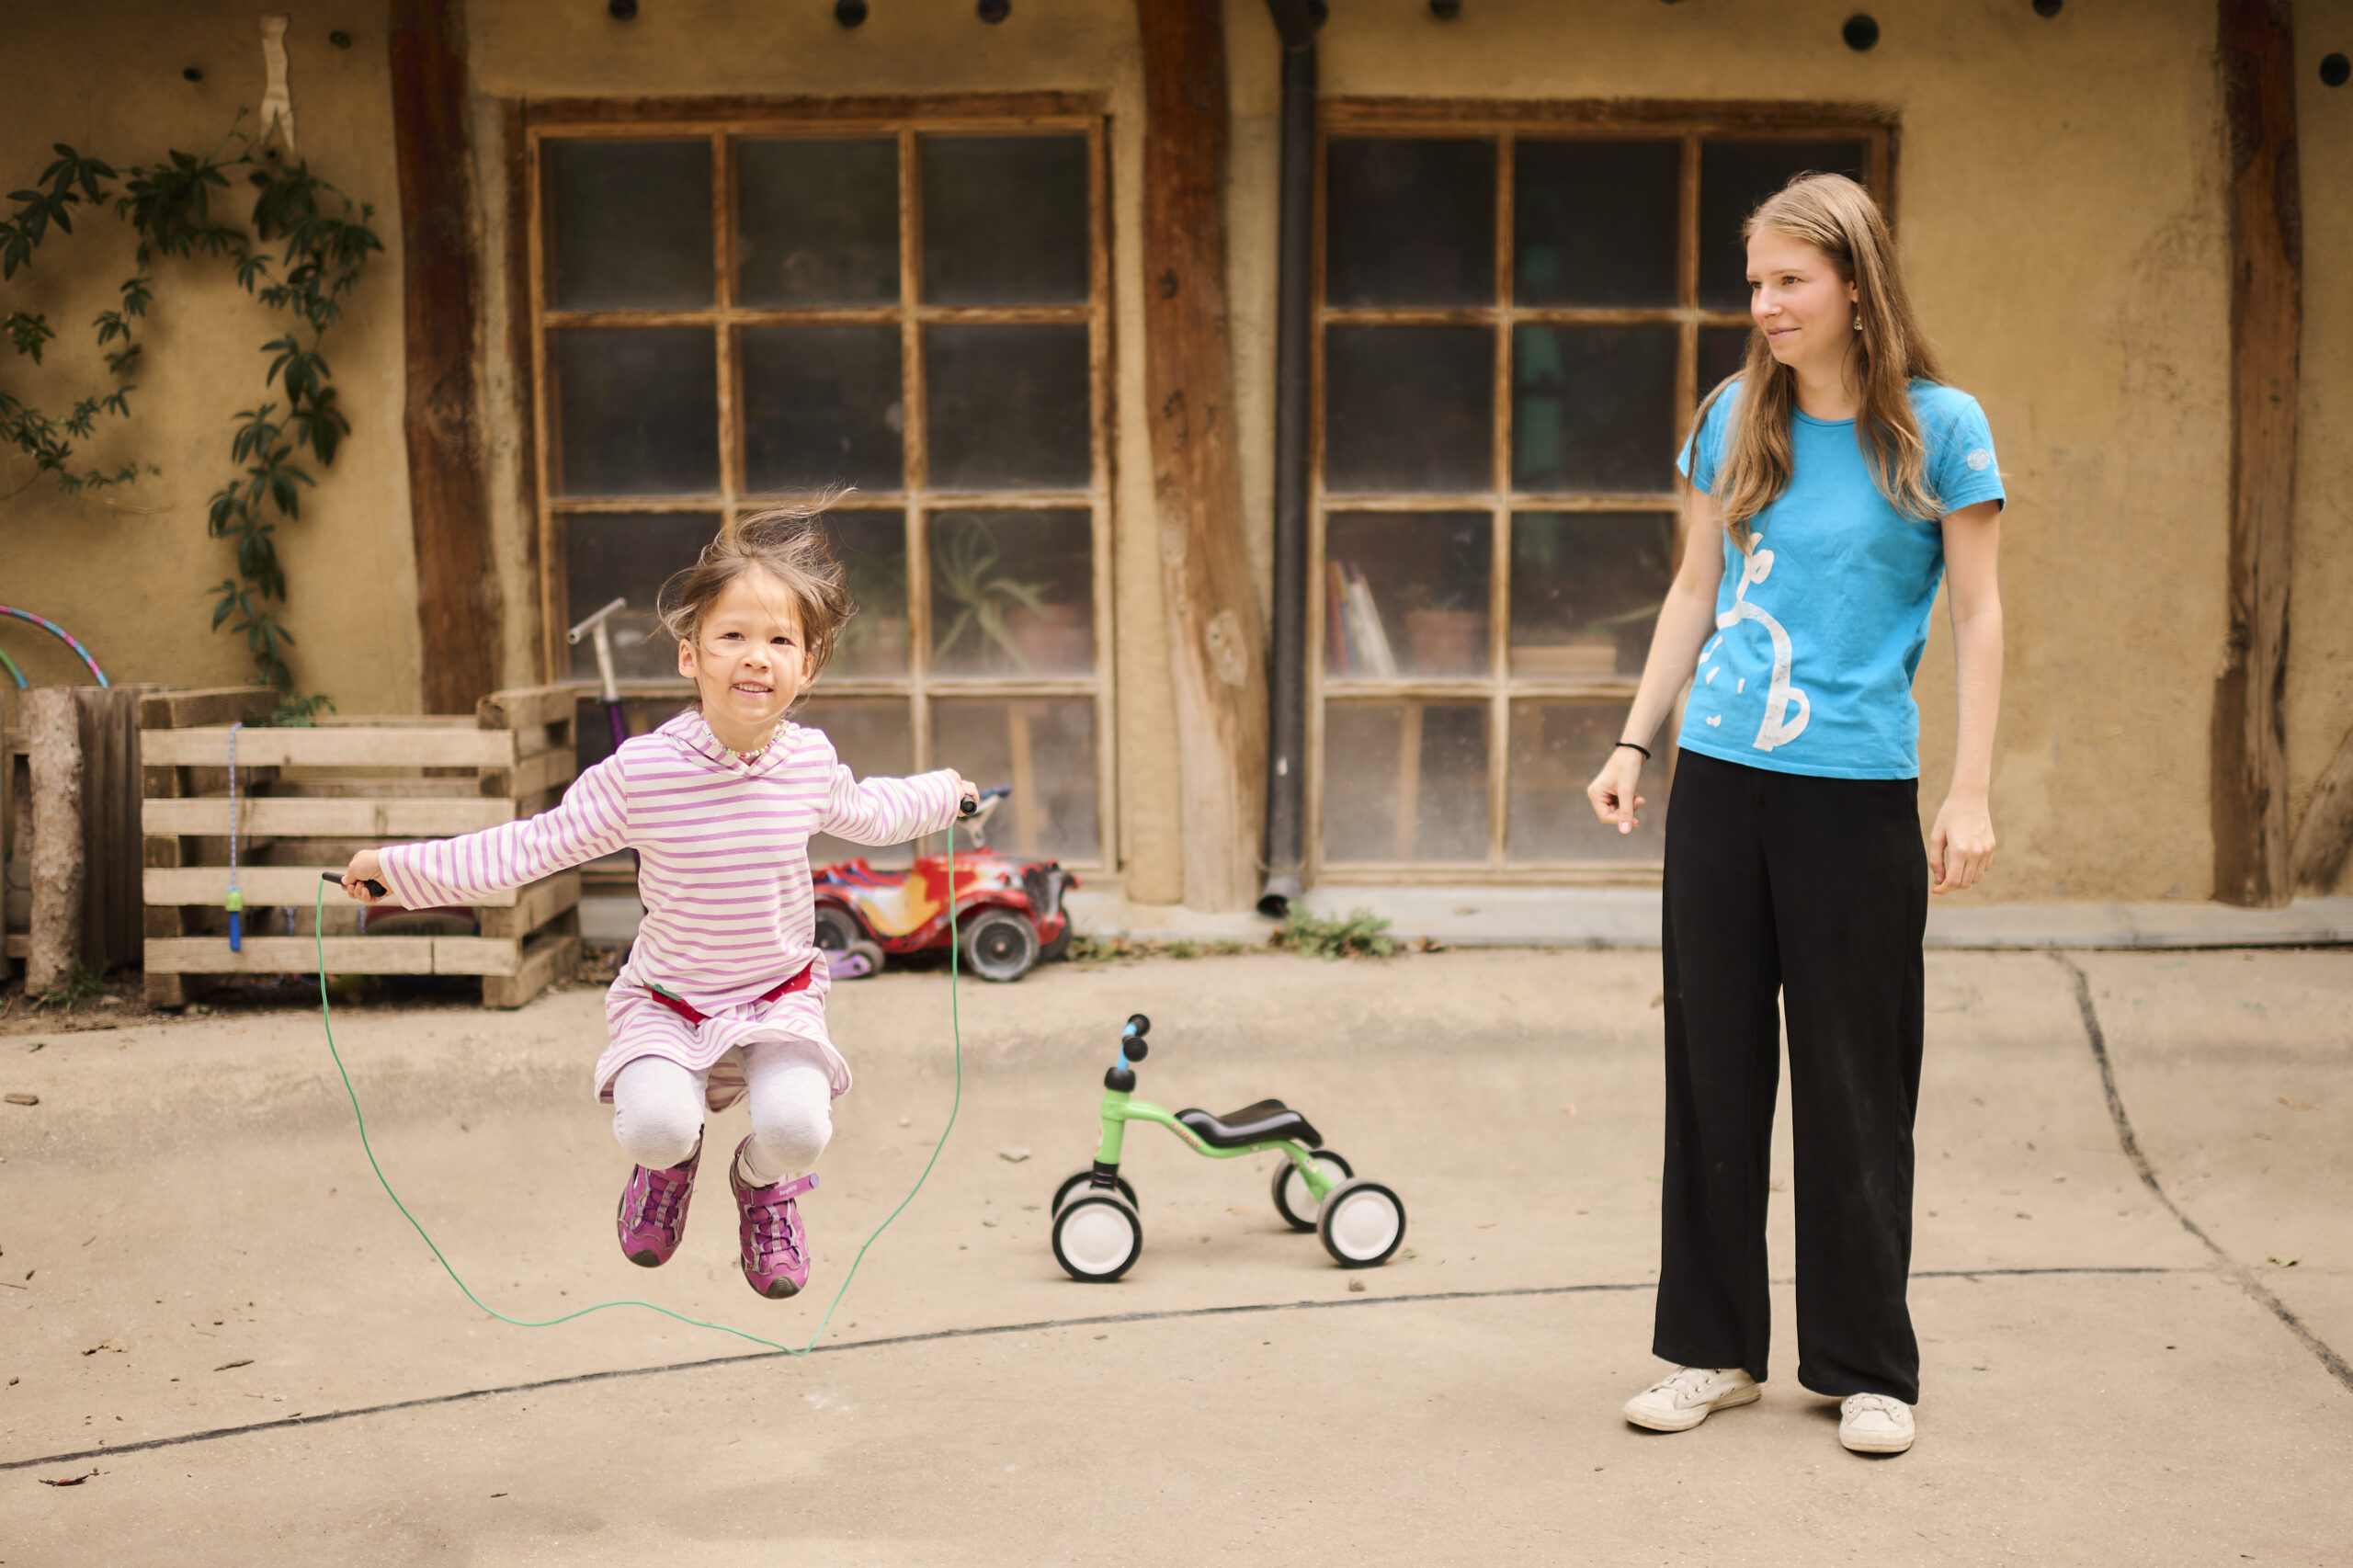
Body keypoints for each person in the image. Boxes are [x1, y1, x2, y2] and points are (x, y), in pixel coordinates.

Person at [1586, 173, 2005, 1456]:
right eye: (1756, 282)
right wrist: (1634, 737)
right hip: (1721, 783)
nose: (1763, 305)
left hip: (1858, 792)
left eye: (1789, 282)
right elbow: (1691, 592)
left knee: (1855, 1085)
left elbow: (1983, 615)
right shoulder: (1733, 418)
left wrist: (1972, 788)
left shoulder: (1943, 429)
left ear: (1854, 285)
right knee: (1713, 1077)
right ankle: (1712, 1350)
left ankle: (1867, 1364)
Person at [339, 507, 975, 1301]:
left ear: (807, 668)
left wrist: (947, 794)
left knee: (799, 1132)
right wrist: (400, 874)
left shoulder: (808, 762)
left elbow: (876, 812)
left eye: (781, 642)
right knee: (655, 1127)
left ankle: (761, 1187)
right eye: (732, 636)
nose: (756, 658)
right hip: (668, 1005)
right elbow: (531, 847)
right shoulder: (642, 773)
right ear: (690, 655)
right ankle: (668, 1171)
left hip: (778, 998)